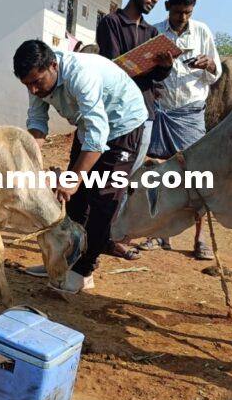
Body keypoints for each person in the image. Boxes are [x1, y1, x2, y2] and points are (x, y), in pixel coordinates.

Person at [14, 39, 147, 293]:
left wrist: (73, 178)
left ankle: (83, 272)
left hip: (123, 125)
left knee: (102, 200)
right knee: (75, 203)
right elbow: (38, 122)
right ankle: (63, 262)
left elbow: (99, 135)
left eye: (37, 82)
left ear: (53, 65)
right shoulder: (36, 81)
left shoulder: (80, 75)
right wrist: (29, 161)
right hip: (88, 126)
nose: (33, 90)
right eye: (27, 85)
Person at [138, 0, 222, 260]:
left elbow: (216, 72)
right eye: (177, 13)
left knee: (197, 176)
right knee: (156, 175)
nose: (182, 18)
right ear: (167, 8)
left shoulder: (203, 32)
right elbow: (143, 73)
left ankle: (201, 240)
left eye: (187, 13)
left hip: (190, 112)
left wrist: (208, 64)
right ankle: (157, 235)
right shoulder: (155, 33)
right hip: (160, 111)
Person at [95, 0, 173, 261]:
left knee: (125, 176)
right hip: (115, 113)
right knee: (103, 173)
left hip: (145, 113)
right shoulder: (111, 23)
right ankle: (88, 233)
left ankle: (108, 235)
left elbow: (157, 79)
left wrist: (164, 64)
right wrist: (147, 66)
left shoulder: (153, 33)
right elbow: (114, 68)